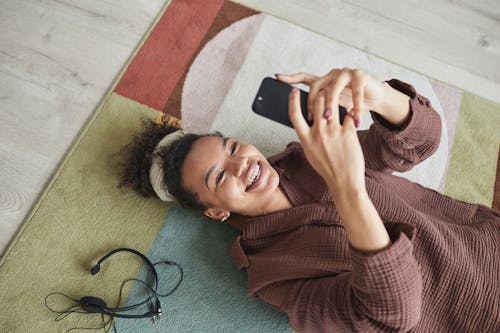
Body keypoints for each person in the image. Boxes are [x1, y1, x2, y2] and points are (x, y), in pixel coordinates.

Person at [119, 68, 499, 332]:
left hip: (486, 248)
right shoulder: (270, 275)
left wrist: (379, 97)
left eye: (232, 147)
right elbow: (392, 315)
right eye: (219, 177)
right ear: (217, 211)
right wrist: (348, 187)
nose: (242, 165)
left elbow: (422, 143)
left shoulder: (307, 156)